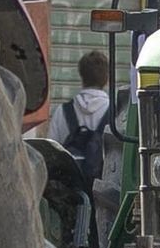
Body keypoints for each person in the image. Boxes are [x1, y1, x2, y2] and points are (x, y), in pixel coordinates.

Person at [47, 47, 113, 201]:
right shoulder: (115, 114)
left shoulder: (62, 112)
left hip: (70, 194)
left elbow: (52, 150)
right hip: (104, 194)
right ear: (106, 78)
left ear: (82, 76)